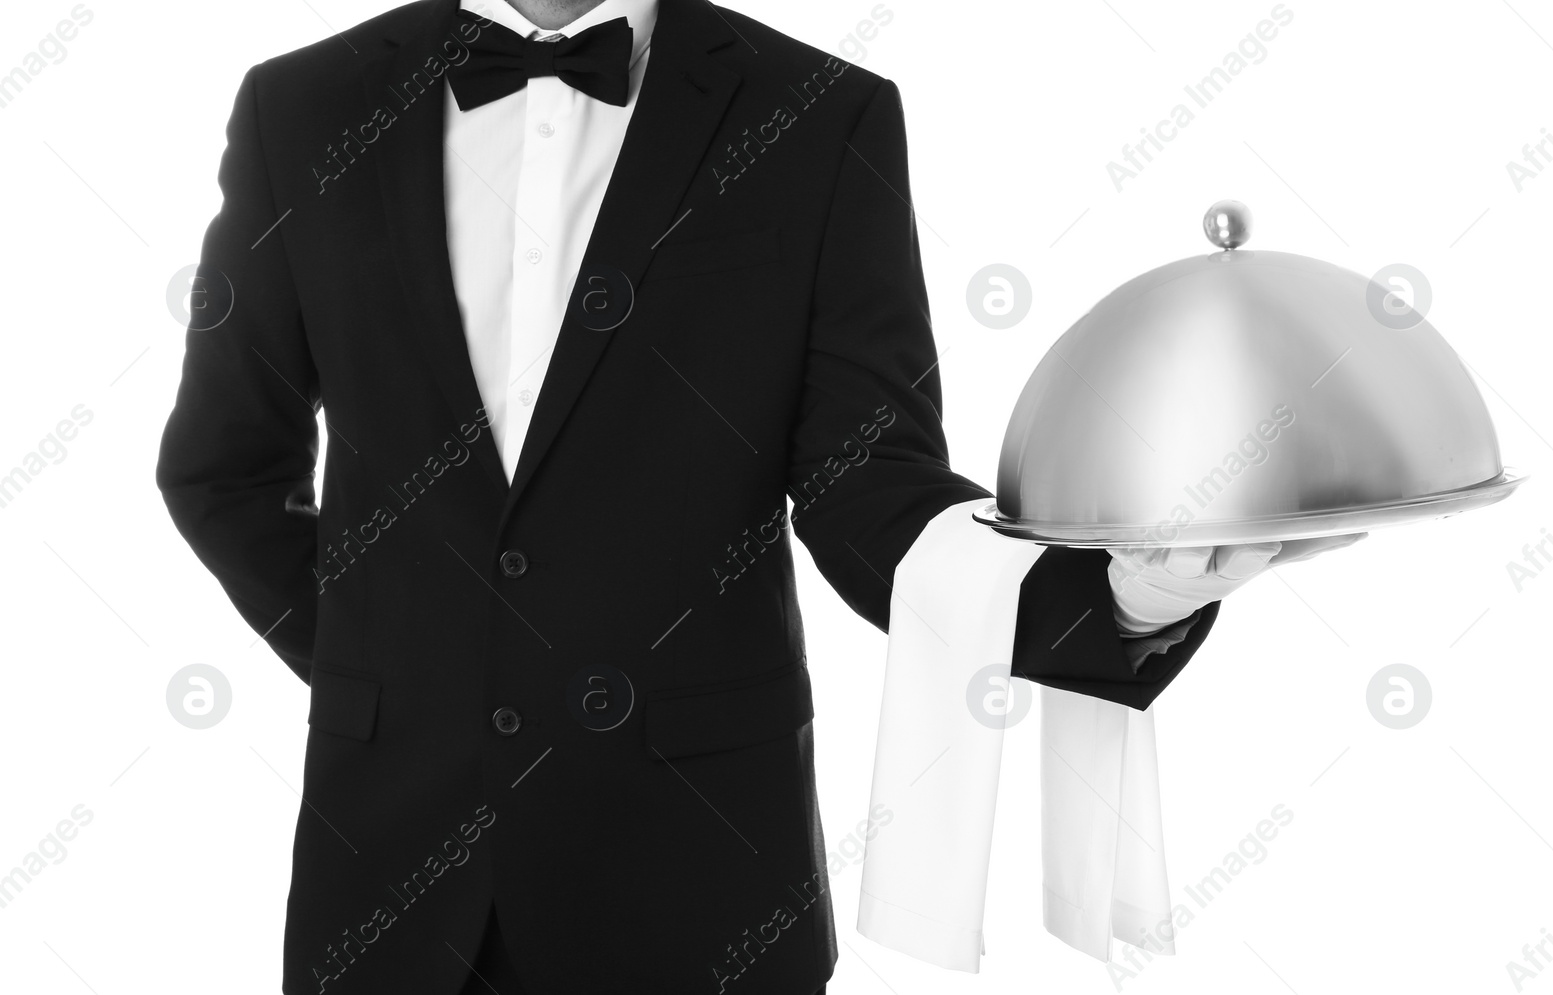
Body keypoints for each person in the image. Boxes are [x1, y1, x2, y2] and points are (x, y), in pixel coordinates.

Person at [155, 0, 1356, 991]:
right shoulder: (297, 109)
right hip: (389, 891)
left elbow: (864, 489)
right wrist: (400, 669)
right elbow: (222, 466)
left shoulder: (818, 119)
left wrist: (1128, 591)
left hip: (698, 889)